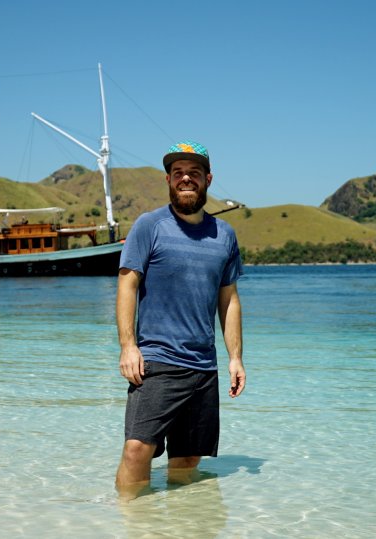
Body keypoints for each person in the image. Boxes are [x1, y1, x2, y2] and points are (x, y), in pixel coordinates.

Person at [115, 140, 246, 498]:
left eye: (193, 173)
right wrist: (128, 347)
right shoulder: (149, 226)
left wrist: (235, 357)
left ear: (207, 179)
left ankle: (179, 529)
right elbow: (127, 285)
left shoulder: (225, 236)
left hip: (204, 367)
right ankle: (128, 522)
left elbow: (229, 299)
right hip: (157, 360)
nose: (185, 178)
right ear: (169, 180)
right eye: (178, 173)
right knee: (137, 450)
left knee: (187, 461)